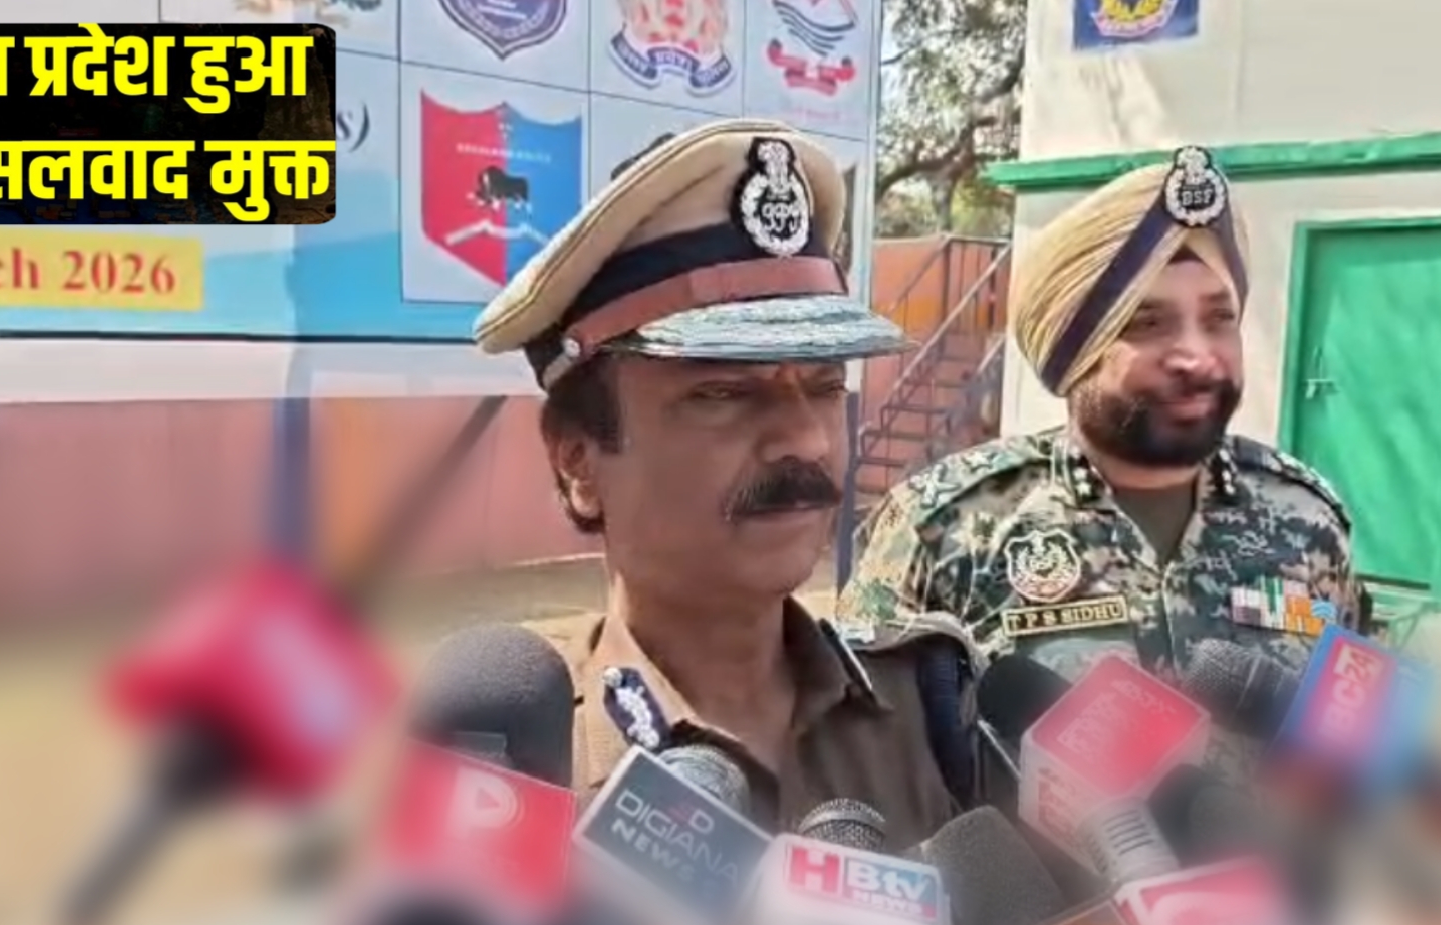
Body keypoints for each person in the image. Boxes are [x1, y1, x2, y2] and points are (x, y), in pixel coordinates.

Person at [470, 119, 984, 846]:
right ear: (578, 459)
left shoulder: (938, 709)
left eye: (825, 386)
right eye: (722, 394)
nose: (806, 440)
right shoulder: (518, 767)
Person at [838, 145, 1364, 687]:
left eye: (1218, 319)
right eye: (1147, 323)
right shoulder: (944, 525)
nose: (1197, 356)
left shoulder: (1309, 520)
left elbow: (1356, 719)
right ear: (1073, 353)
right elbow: (863, 730)